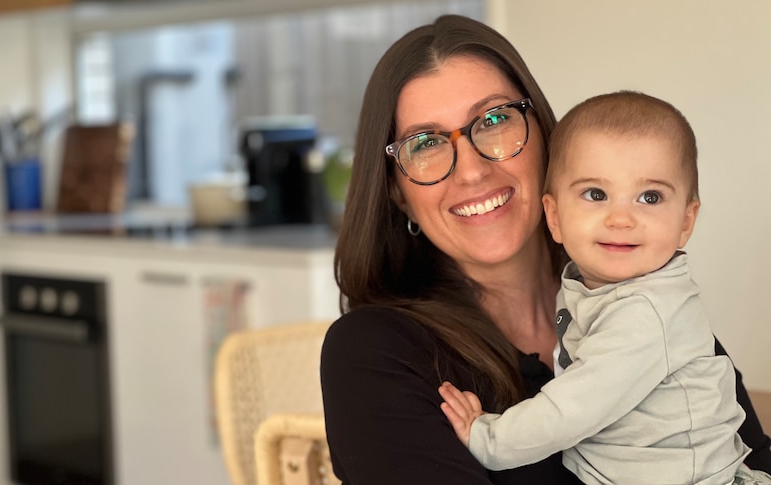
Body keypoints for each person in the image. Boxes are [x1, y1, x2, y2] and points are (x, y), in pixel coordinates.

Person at [319, 14, 771, 485]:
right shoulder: (376, 354)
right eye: (425, 142)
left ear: (546, 141)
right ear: (396, 192)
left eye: (494, 120)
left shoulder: (643, 295)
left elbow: (747, 457)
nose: (471, 172)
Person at [438, 91, 771, 484]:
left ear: (685, 220)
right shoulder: (593, 286)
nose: (621, 218)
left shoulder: (647, 314)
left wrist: (487, 437)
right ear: (555, 216)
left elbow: (571, 410)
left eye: (650, 197)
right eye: (596, 194)